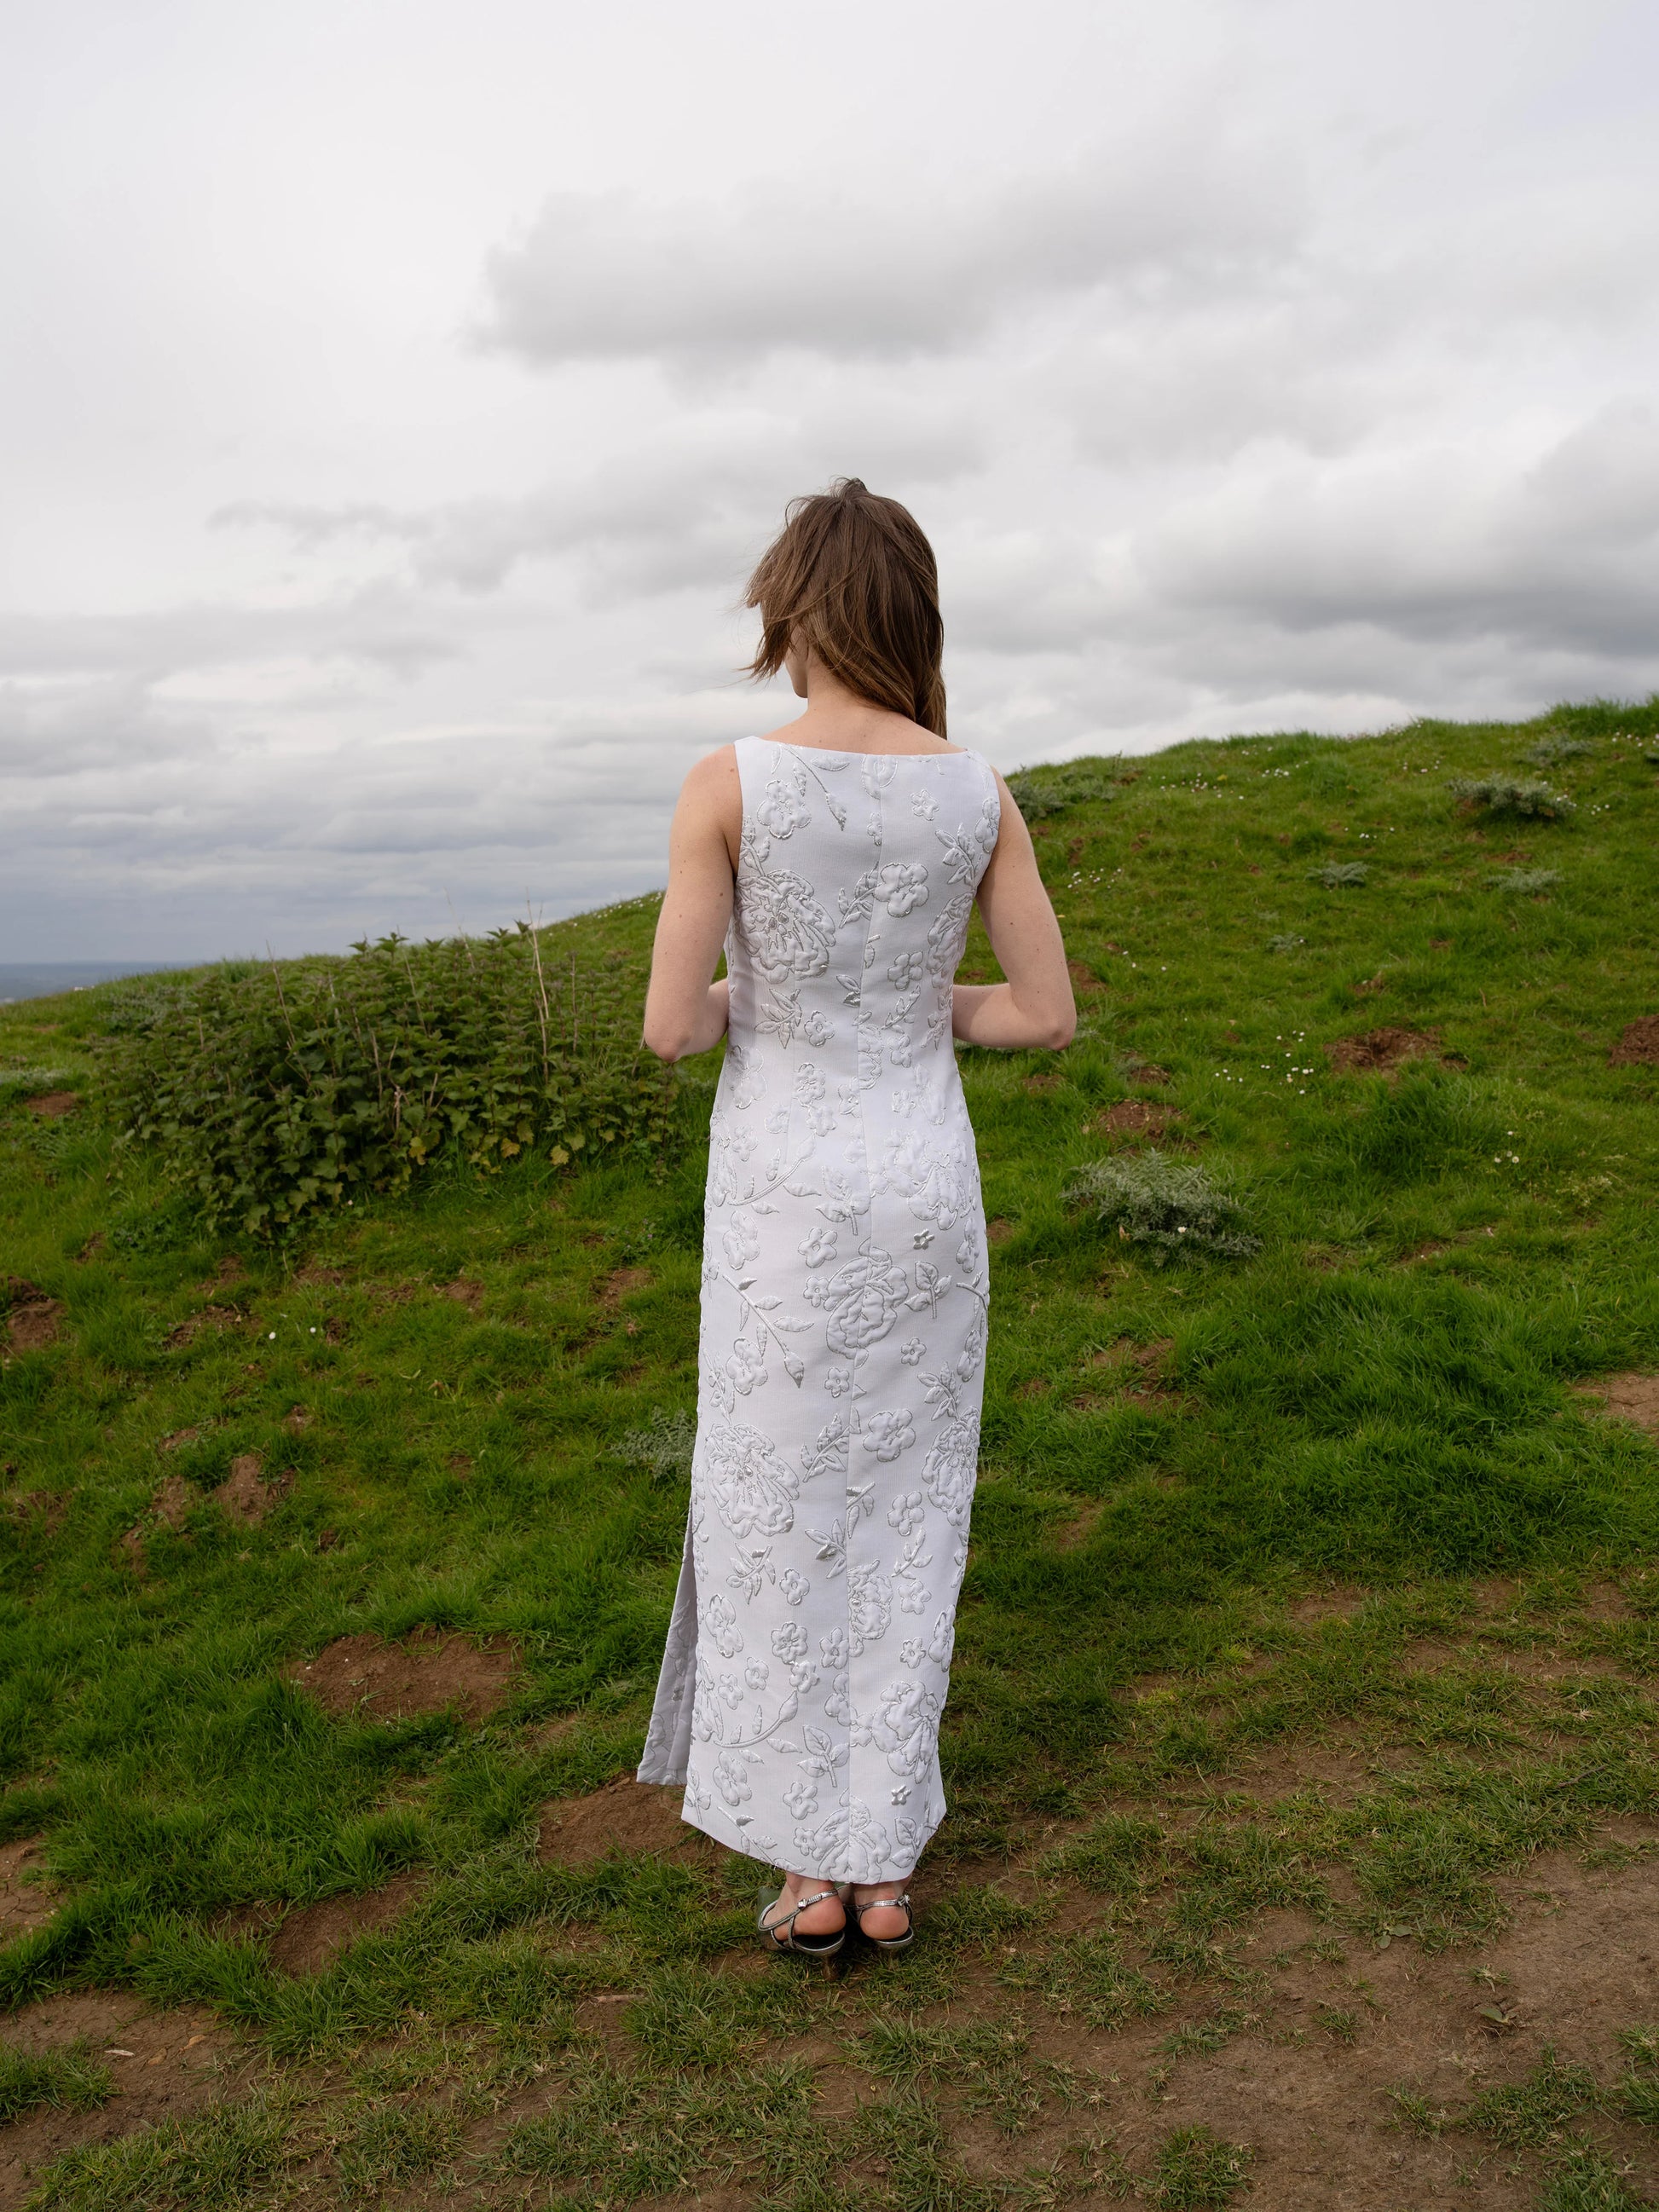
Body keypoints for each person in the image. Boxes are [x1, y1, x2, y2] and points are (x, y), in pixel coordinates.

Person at [636, 478, 1074, 1960]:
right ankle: (880, 1868)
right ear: (911, 616)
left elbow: (672, 1030)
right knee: (904, 1515)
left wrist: (765, 995)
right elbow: (1041, 1016)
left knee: (776, 1513)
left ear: (792, 613)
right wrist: (901, 1004)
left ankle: (807, 1872)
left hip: (784, 1201)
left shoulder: (726, 782)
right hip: (921, 1194)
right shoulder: (980, 790)